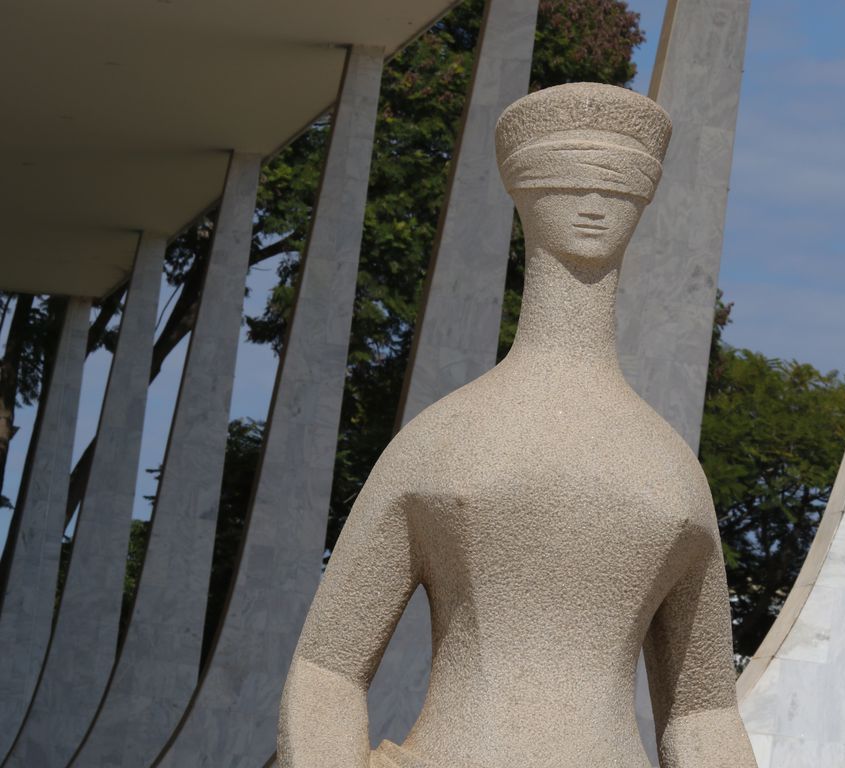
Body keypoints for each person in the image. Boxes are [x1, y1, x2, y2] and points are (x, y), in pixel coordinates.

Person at [278, 82, 756, 768]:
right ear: (525, 191)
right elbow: (327, 667)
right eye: (570, 182)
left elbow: (704, 709)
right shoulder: (444, 442)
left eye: (617, 183)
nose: (595, 204)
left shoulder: (671, 470)